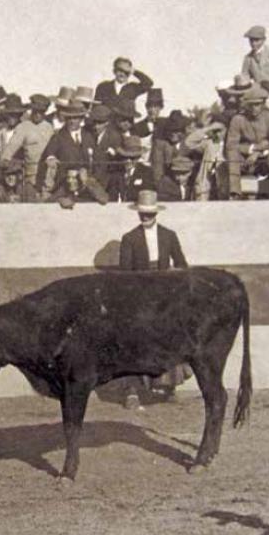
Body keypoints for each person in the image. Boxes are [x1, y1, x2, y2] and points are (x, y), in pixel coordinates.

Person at [118, 190, 189, 407]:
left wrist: (173, 284)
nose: (145, 217)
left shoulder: (169, 235)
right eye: (142, 213)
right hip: (139, 296)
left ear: (156, 213)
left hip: (165, 295)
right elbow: (125, 274)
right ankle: (132, 391)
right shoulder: (129, 238)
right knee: (135, 341)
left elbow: (181, 264)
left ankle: (170, 386)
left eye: (149, 213)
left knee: (172, 337)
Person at [224, 83, 269, 199]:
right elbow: (231, 145)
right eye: (251, 105)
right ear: (246, 105)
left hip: (265, 160)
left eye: (257, 104)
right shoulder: (238, 119)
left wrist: (258, 153)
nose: (254, 108)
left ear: (263, 104)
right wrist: (251, 149)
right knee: (232, 154)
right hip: (245, 161)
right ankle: (235, 192)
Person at [37, 100, 95, 198]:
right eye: (69, 118)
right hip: (65, 186)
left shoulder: (88, 136)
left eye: (75, 118)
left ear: (81, 119)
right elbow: (49, 153)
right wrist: (51, 158)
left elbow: (95, 160)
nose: (72, 121)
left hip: (86, 188)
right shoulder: (58, 137)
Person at [1, 94, 54, 191]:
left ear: (45, 112)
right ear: (31, 110)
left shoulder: (49, 127)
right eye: (35, 111)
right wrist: (5, 160)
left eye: (41, 112)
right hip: (31, 176)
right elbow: (11, 147)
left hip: (49, 175)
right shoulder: (23, 127)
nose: (38, 115)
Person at [88, 103, 124, 199]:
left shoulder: (114, 137)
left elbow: (114, 167)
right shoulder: (88, 134)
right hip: (89, 184)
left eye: (99, 123)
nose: (96, 126)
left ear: (107, 122)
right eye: (94, 122)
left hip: (106, 186)